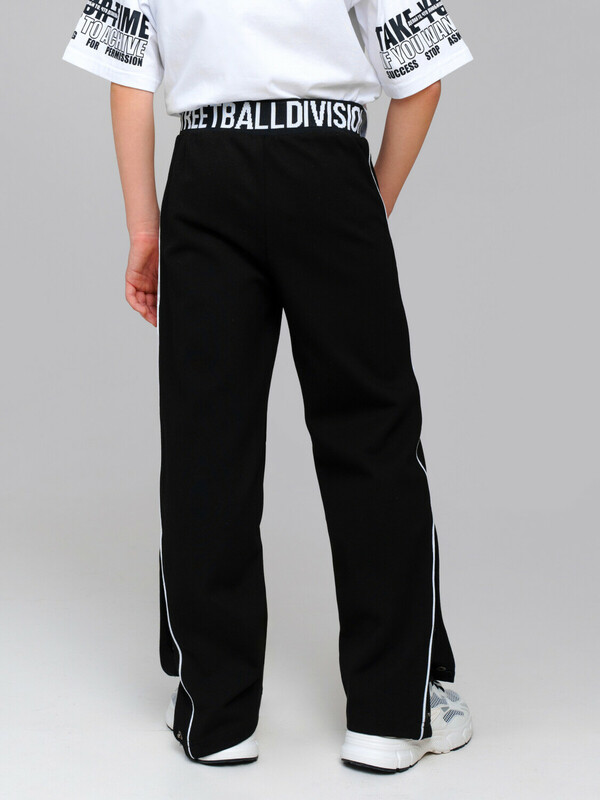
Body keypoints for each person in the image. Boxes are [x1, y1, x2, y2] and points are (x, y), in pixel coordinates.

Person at [62, 0, 474, 774]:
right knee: (372, 433)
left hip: (206, 172)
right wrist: (368, 204)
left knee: (205, 441)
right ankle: (392, 715)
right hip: (328, 165)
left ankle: (216, 717)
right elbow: (424, 81)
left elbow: (128, 78)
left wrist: (146, 230)